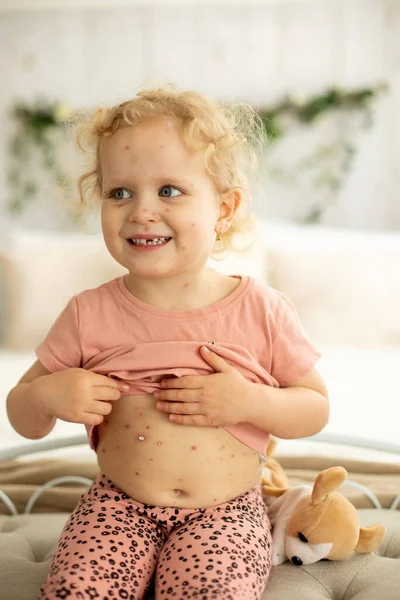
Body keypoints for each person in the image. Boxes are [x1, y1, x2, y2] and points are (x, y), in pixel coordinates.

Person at [6, 87, 329, 600]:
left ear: (224, 209)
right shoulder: (88, 313)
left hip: (225, 509)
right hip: (117, 505)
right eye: (120, 193)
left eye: (170, 191)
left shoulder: (261, 310)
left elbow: (314, 410)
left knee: (212, 592)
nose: (141, 211)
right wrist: (49, 396)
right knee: (76, 589)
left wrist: (250, 400)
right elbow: (21, 413)